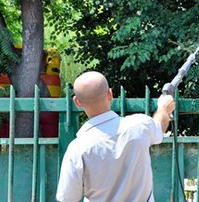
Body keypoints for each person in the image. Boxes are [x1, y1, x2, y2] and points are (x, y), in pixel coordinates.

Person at [56, 71, 175, 202]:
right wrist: (164, 109)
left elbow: (67, 198)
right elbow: (160, 126)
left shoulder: (77, 148)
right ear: (110, 94)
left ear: (77, 102)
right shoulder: (139, 126)